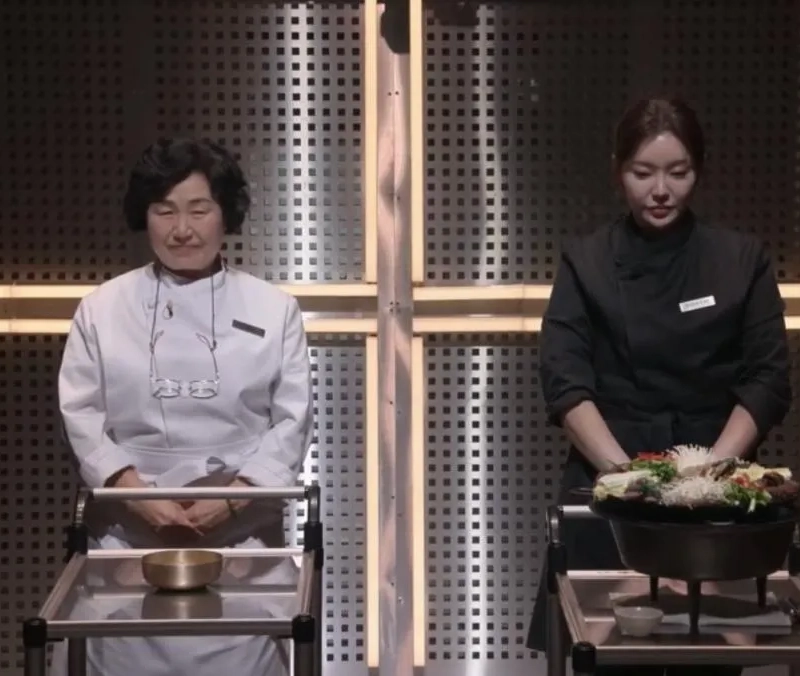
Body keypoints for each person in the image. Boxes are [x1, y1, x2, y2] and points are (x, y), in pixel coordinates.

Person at [526, 98, 792, 676]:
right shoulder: (587, 261)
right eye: (643, 173)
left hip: (718, 490)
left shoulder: (740, 259)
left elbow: (769, 379)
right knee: (608, 655)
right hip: (609, 484)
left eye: (678, 172)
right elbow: (565, 382)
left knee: (709, 658)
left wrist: (706, 478)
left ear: (700, 170)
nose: (661, 190)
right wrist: (631, 481)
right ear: (617, 170)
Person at [56, 138, 314, 676]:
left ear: (225, 215)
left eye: (199, 210)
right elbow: (81, 413)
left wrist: (232, 501)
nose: (182, 229)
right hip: (129, 539)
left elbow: (292, 421)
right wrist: (137, 496)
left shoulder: (274, 307)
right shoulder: (101, 308)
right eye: (164, 210)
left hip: (244, 543)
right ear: (144, 216)